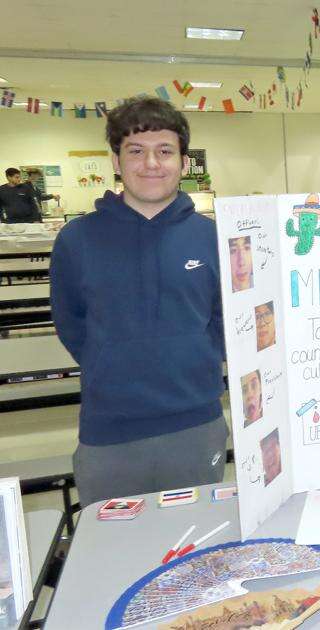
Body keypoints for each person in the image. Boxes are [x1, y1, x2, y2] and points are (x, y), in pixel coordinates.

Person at [50, 96, 228, 507]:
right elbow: (70, 324)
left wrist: (196, 357)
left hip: (196, 424)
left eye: (164, 151)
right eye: (135, 151)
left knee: (195, 537)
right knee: (112, 542)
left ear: (184, 163)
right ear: (116, 161)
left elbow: (224, 319)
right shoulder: (77, 240)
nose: (151, 163)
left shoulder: (213, 238)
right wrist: (111, 361)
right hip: (109, 430)